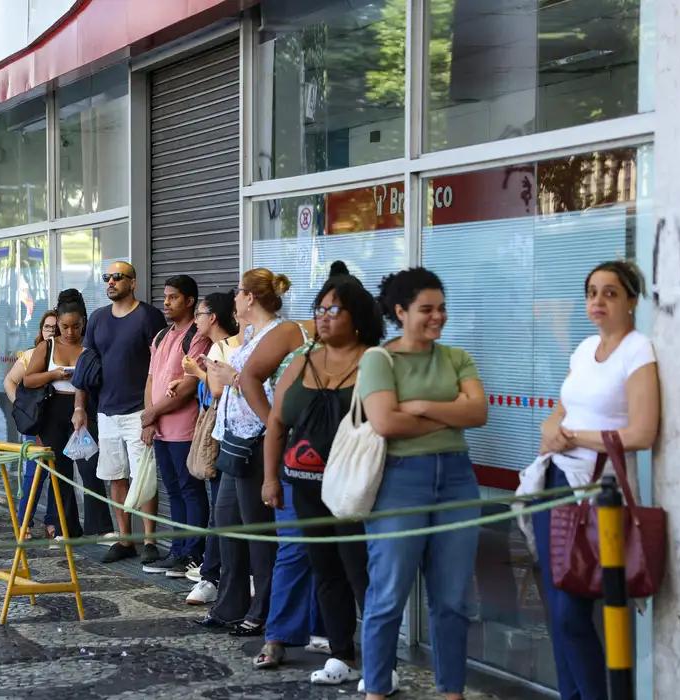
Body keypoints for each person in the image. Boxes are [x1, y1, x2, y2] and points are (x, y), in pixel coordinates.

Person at [531, 261, 659, 700]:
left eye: (610, 293)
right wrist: (552, 428)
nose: (598, 301)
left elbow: (642, 432)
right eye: (591, 293)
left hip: (598, 490)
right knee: (556, 607)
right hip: (556, 480)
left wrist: (576, 438)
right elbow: (564, 407)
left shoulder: (638, 349)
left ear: (632, 301)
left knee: (573, 608)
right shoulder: (584, 349)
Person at [358, 267, 487, 699]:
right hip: (399, 482)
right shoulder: (379, 359)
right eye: (426, 309)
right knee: (388, 595)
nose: (438, 317)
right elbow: (384, 422)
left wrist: (419, 405)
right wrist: (448, 412)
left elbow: (478, 414)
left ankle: (452, 692)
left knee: (452, 600)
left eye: (442, 308)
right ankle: (376, 690)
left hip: (457, 478)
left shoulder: (455, 357)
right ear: (400, 311)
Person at [262, 274, 385, 684]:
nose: (325, 317)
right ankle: (341, 655)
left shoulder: (375, 360)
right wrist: (271, 479)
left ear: (358, 317)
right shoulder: (302, 358)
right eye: (320, 309)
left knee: (361, 572)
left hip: (356, 488)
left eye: (335, 309)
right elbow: (277, 423)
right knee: (326, 571)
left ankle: (381, 661)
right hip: (303, 484)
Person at [195, 269, 292, 638]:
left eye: (238, 292)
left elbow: (268, 386)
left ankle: (262, 610)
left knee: (257, 533)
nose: (233, 298)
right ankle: (229, 605)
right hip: (234, 437)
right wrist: (220, 372)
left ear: (249, 297)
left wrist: (231, 376)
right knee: (227, 526)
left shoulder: (279, 334)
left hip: (258, 440)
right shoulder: (250, 336)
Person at [76, 261, 167, 565]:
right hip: (105, 410)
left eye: (118, 277)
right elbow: (85, 367)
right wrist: (80, 407)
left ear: (133, 282)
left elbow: (160, 365)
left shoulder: (148, 316)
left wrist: (153, 413)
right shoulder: (99, 318)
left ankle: (150, 539)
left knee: (145, 477)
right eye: (107, 277)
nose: (111, 282)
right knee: (115, 475)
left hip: (139, 410)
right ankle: (124, 537)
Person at [140, 276, 212, 578]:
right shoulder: (160, 336)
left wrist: (152, 412)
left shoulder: (197, 336)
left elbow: (187, 387)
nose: (166, 303)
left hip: (185, 428)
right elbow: (152, 380)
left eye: (173, 297)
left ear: (190, 301)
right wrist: (150, 417)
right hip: (161, 430)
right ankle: (178, 551)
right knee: (172, 489)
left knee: (190, 489)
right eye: (165, 297)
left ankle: (194, 553)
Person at [180, 292, 240, 605]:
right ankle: (215, 573)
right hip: (221, 428)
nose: (196, 319)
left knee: (221, 509)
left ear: (212, 317)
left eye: (200, 313)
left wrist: (196, 373)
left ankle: (212, 576)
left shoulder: (223, 346)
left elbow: (218, 390)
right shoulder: (221, 346)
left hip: (226, 432)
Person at [23, 292, 98, 541]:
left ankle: (98, 526)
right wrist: (53, 375)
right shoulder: (48, 346)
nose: (69, 332)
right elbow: (29, 379)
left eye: (75, 326)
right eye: (64, 326)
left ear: (83, 323)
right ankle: (65, 527)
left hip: (84, 410)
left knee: (90, 468)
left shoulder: (90, 345)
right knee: (60, 471)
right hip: (53, 409)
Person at [5, 311, 60, 535]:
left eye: (56, 328)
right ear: (40, 330)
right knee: (34, 472)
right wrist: (22, 408)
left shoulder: (69, 354)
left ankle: (53, 521)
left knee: (58, 472)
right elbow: (10, 380)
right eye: (47, 327)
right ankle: (24, 521)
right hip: (37, 422)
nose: (52, 331)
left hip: (60, 420)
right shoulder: (29, 355)